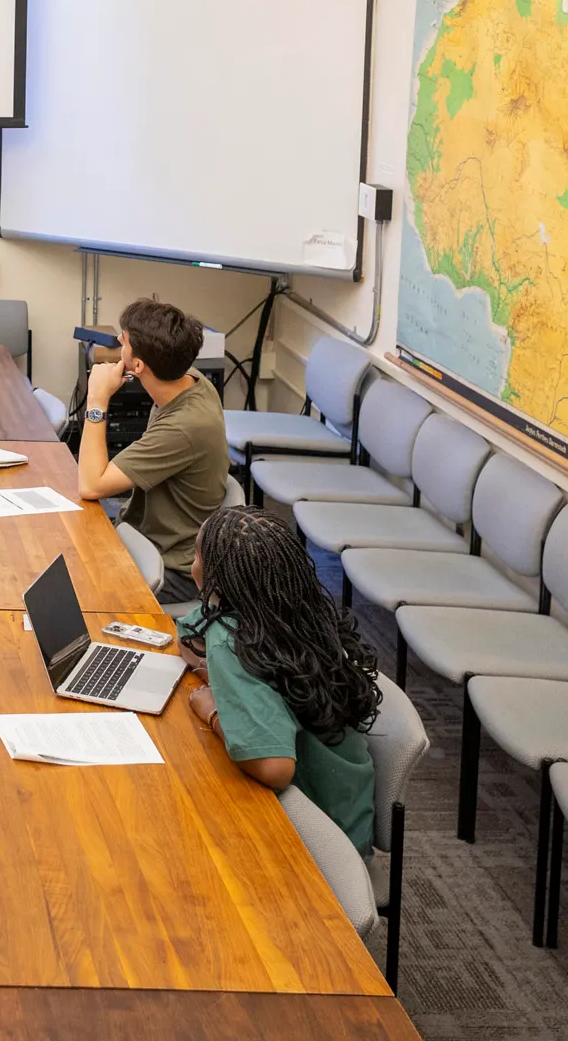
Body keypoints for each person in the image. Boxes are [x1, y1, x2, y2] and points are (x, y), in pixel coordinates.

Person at [179, 504, 380, 852]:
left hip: (318, 844)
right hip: (350, 816)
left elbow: (275, 769)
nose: (190, 564)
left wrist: (212, 711)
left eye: (196, 555)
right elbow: (189, 637)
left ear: (219, 579)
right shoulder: (291, 607)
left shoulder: (233, 638)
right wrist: (222, 675)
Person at [73, 297, 229, 604]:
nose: (119, 340)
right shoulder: (193, 380)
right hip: (152, 535)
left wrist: (96, 400)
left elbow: (91, 485)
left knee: (78, 591)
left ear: (139, 365)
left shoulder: (184, 427)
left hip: (173, 568)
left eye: (125, 340)